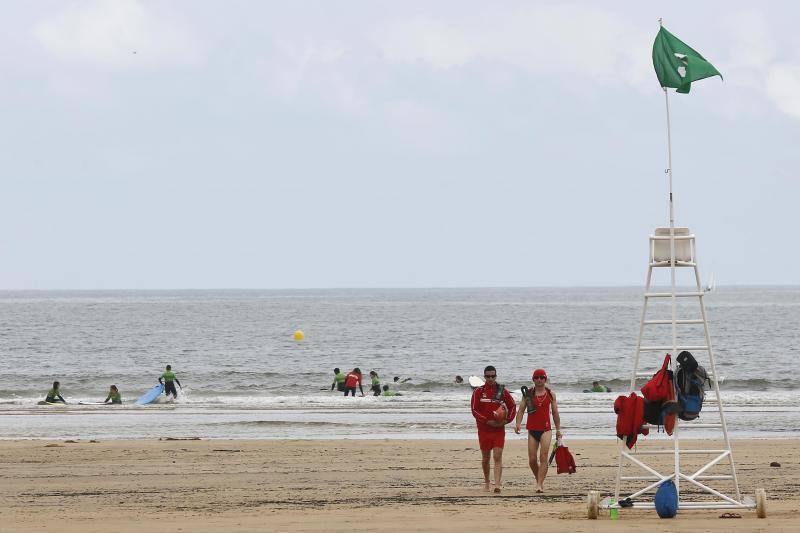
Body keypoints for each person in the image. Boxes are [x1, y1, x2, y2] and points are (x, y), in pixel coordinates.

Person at [514, 368, 562, 493]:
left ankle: (539, 484)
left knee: (544, 456)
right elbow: (521, 410)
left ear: (545, 379)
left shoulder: (551, 394)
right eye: (536, 377)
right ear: (533, 380)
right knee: (532, 460)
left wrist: (558, 430)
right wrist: (518, 423)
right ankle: (539, 480)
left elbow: (555, 413)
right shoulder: (528, 394)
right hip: (532, 430)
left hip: (546, 429)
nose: (539, 380)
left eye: (542, 377)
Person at [470, 365, 516, 493]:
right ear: (484, 377)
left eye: (493, 376)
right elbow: (474, 410)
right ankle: (487, 482)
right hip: (484, 430)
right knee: (486, 458)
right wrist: (487, 421)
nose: (490, 378)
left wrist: (507, 420)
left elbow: (512, 406)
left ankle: (497, 485)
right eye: (488, 376)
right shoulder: (478, 392)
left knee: (497, 456)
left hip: (498, 430)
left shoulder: (501, 391)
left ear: (496, 376)